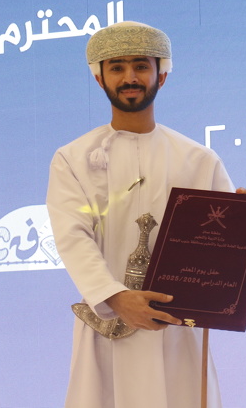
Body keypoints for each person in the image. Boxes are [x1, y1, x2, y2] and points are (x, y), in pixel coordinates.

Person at [47, 21, 233, 408]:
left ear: (161, 75)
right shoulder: (73, 159)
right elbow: (72, 236)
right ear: (99, 78)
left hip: (176, 333)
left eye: (141, 66)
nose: (129, 77)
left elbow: (228, 248)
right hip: (106, 329)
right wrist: (115, 297)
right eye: (116, 67)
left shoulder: (199, 160)